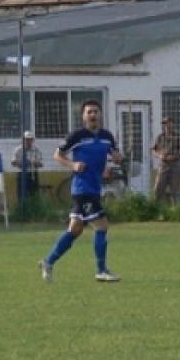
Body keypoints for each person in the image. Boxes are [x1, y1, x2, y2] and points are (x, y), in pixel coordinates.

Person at [38, 100, 122, 283]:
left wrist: (116, 158)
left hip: (94, 187)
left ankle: (48, 262)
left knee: (75, 230)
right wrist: (72, 164)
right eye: (89, 112)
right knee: (102, 226)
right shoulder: (77, 136)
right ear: (83, 116)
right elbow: (57, 155)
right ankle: (101, 270)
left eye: (95, 111)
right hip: (83, 189)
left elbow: (116, 155)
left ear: (100, 114)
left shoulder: (107, 136)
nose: (93, 115)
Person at [152, 118, 180, 203]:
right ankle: (156, 208)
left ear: (172, 124)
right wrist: (160, 156)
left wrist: (175, 156)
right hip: (163, 165)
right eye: (164, 123)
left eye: (168, 123)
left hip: (175, 165)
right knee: (158, 189)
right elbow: (154, 150)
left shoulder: (178, 136)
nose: (166, 125)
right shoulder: (160, 137)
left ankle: (175, 209)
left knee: (174, 191)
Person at [11, 130, 43, 197]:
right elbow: (13, 162)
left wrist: (33, 163)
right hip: (21, 173)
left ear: (32, 140)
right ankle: (21, 204)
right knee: (21, 194)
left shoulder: (36, 150)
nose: (28, 141)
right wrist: (22, 163)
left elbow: (40, 164)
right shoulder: (18, 150)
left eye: (30, 139)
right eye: (26, 139)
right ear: (23, 140)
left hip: (33, 173)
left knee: (34, 194)